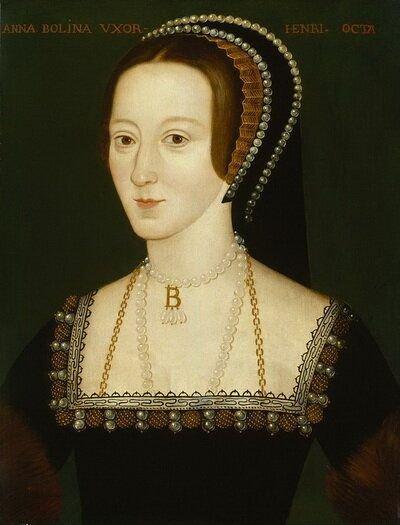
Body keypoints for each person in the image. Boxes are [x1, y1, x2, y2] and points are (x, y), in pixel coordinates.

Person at [1, 13, 399, 525]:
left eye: (175, 139)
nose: (141, 171)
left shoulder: (318, 331)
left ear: (239, 148)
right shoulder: (75, 330)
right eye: (125, 139)